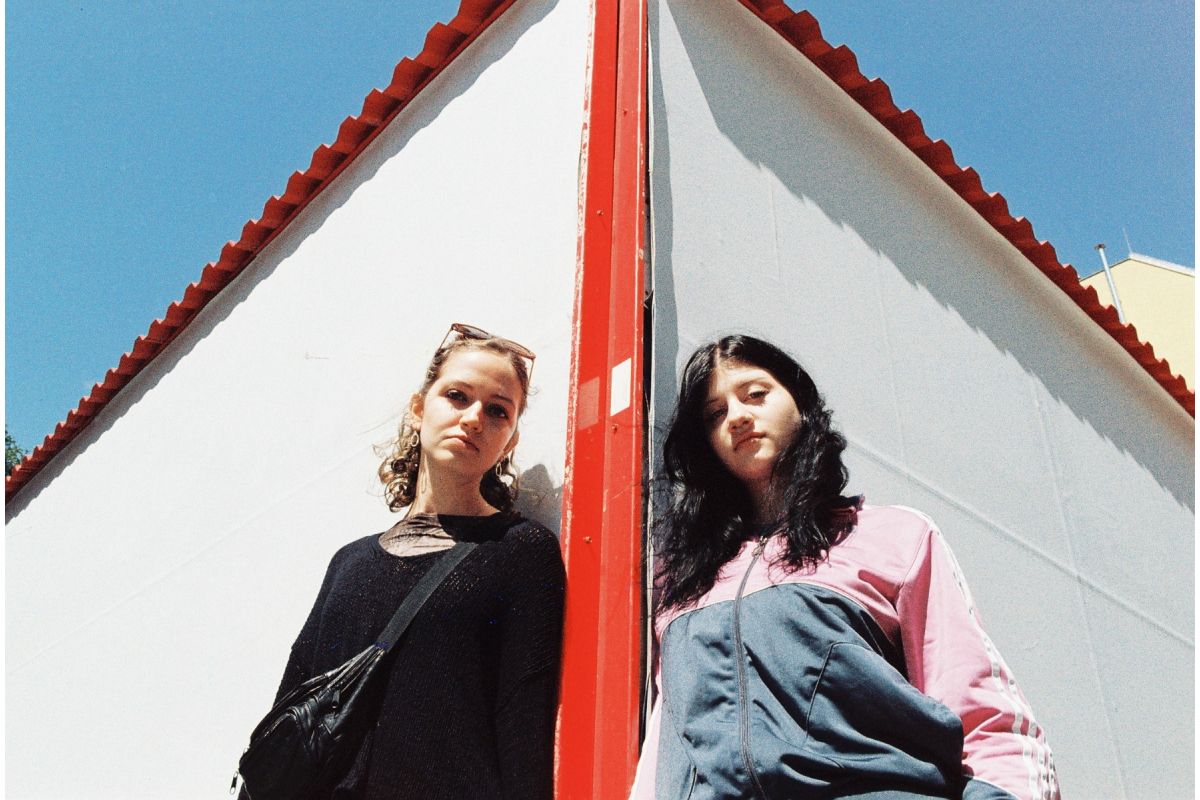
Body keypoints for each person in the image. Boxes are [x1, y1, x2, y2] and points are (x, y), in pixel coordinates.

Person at [631, 335, 1059, 800]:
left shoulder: (892, 537)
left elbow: (980, 707)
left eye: (755, 394)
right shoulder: (683, 583)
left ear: (800, 403)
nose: (737, 416)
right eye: (715, 414)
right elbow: (666, 742)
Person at [251, 323, 565, 800]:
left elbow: (523, 724)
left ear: (510, 441)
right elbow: (287, 717)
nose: (474, 418)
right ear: (419, 410)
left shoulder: (521, 551)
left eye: (498, 410)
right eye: (457, 396)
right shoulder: (349, 563)